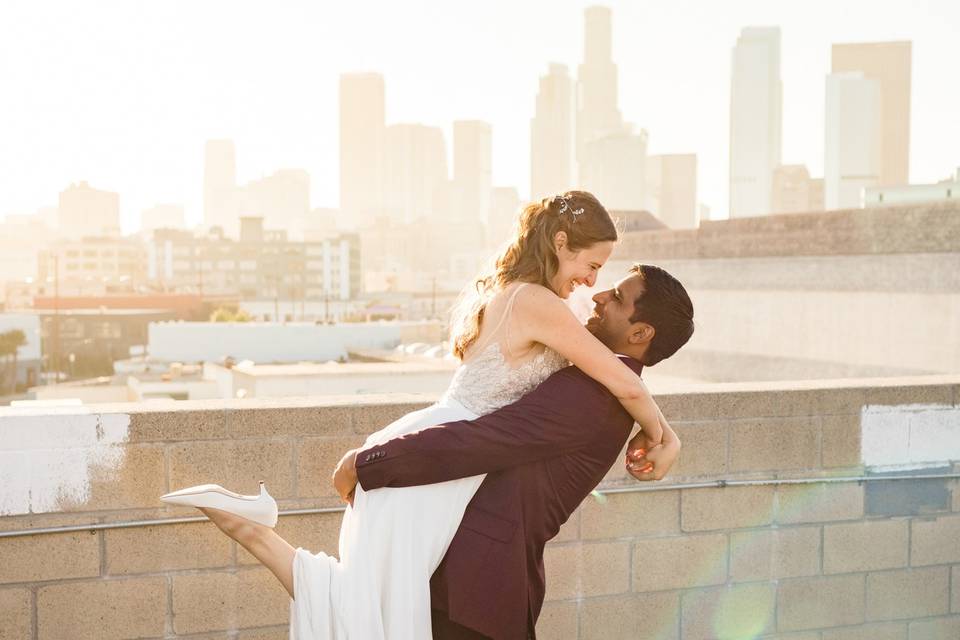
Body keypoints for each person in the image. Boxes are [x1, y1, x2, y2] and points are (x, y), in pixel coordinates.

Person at [161, 191, 671, 639]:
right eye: (593, 264)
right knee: (379, 608)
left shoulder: (517, 295)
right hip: (444, 459)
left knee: (373, 601)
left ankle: (249, 527)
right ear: (561, 243)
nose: (591, 283)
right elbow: (623, 378)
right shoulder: (537, 302)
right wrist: (663, 433)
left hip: (441, 445)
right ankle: (250, 527)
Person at [335, 264, 694, 639]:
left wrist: (367, 462)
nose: (600, 296)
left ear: (640, 333)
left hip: (477, 595)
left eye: (618, 298)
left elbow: (479, 441)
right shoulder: (610, 386)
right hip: (477, 590)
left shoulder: (593, 395)